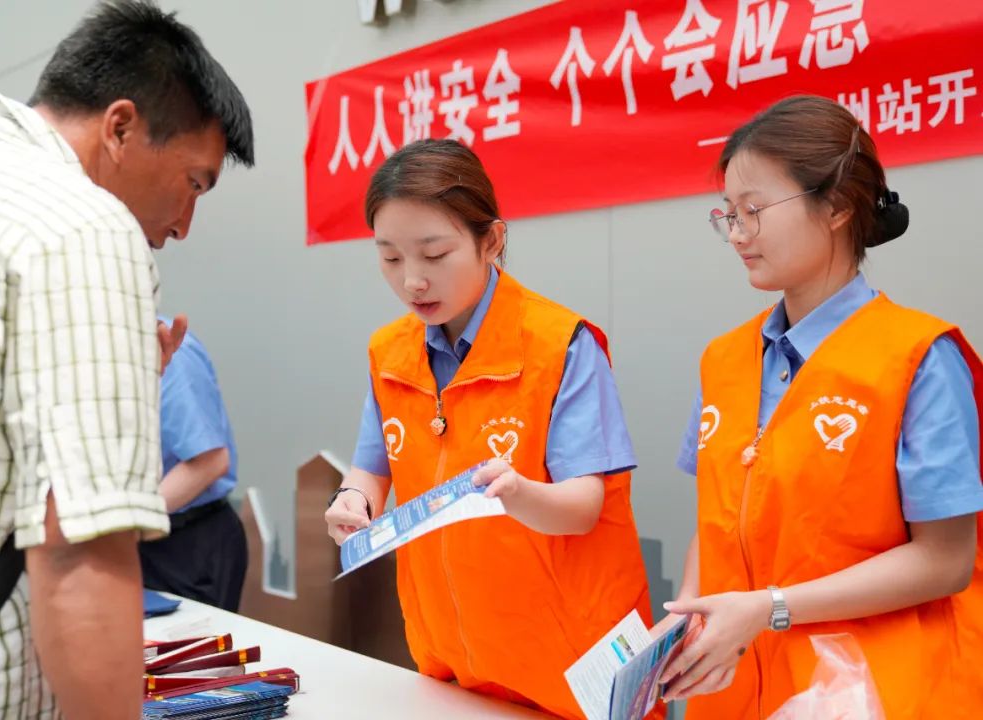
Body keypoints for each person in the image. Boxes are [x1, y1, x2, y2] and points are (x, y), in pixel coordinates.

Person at [0, 1, 253, 717]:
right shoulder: (83, 226)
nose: (185, 225)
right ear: (120, 126)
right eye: (194, 182)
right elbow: (79, 551)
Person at [659, 96, 982, 719]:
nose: (736, 233)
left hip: (868, 692)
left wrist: (769, 607)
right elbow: (718, 520)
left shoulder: (917, 357)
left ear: (835, 206)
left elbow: (947, 560)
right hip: (734, 692)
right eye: (727, 213)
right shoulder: (724, 359)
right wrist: (689, 617)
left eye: (753, 211)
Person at [324, 139, 659, 720]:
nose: (413, 282)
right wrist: (352, 501)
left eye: (434, 254)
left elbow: (584, 506)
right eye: (391, 258)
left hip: (570, 671)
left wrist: (518, 494)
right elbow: (371, 469)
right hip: (452, 661)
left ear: (492, 240)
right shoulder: (390, 353)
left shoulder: (563, 346)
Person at [140, 321, 247, 612]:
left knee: (185, 655)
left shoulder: (169, 348)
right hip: (132, 539)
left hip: (185, 544)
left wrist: (125, 527)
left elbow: (209, 462)